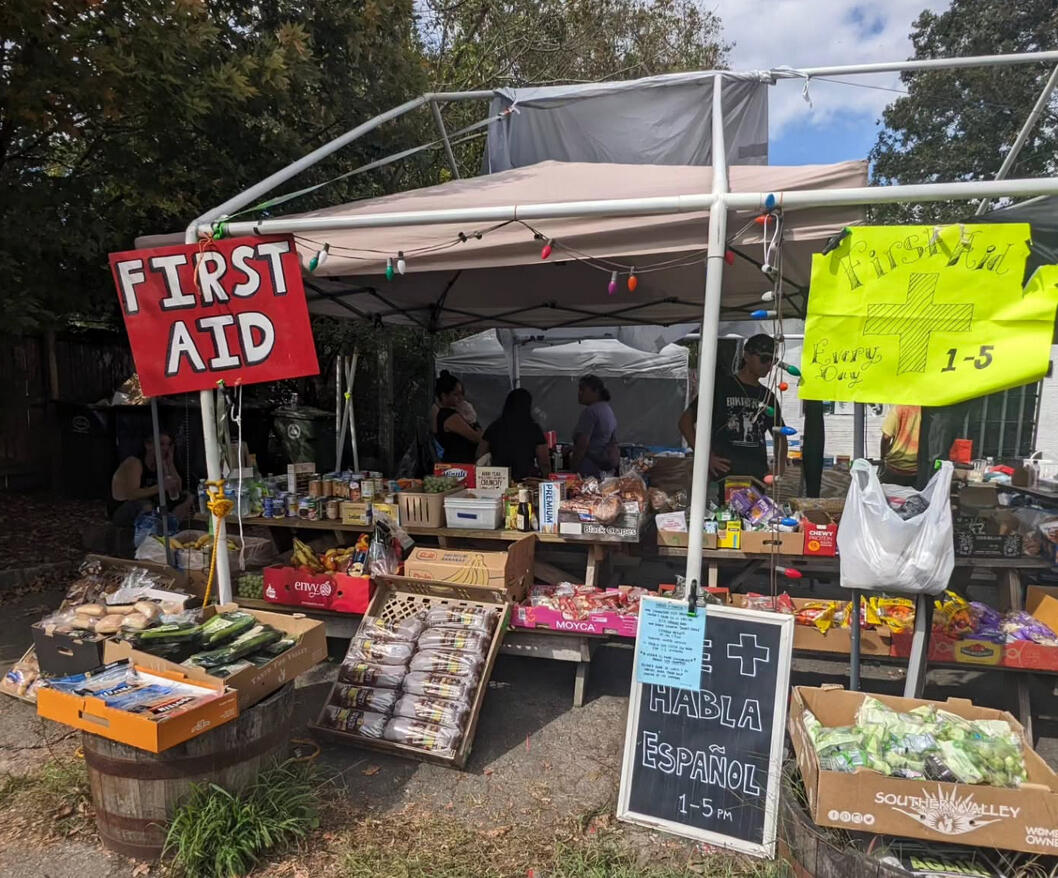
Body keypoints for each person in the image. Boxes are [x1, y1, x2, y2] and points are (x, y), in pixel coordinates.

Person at [678, 334, 786, 483]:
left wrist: (778, 471)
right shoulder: (721, 388)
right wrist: (705, 457)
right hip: (722, 475)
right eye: (764, 359)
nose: (768, 365)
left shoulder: (768, 397)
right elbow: (685, 421)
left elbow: (780, 436)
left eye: (772, 361)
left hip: (756, 477)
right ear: (747, 356)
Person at [110, 431, 193, 528]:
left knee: (187, 497)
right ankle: (155, 531)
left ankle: (170, 527)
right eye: (161, 444)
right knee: (146, 505)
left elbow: (177, 489)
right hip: (124, 507)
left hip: (152, 505)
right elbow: (131, 494)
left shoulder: (161, 464)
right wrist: (161, 487)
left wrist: (170, 463)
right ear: (148, 445)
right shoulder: (134, 463)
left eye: (168, 445)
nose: (165, 448)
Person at [478, 388, 551, 481]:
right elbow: (544, 462)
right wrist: (547, 480)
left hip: (497, 479)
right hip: (525, 480)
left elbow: (480, 454)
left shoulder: (494, 426)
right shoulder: (534, 429)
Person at [570, 375, 619, 477]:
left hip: (589, 470)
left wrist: (573, 469)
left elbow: (583, 444)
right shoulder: (607, 410)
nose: (579, 393)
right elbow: (612, 440)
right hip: (604, 469)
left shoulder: (590, 412)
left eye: (583, 390)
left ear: (595, 391)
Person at [432, 370, 482, 463]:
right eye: (455, 394)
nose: (460, 398)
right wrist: (473, 421)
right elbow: (476, 438)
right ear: (444, 396)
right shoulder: (450, 416)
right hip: (457, 464)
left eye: (461, 394)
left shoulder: (454, 414)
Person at [879, 404, 921, 486]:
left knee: (887, 496)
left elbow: (886, 437)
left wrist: (883, 457)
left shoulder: (899, 408)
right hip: (919, 469)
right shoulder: (927, 409)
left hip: (895, 466)